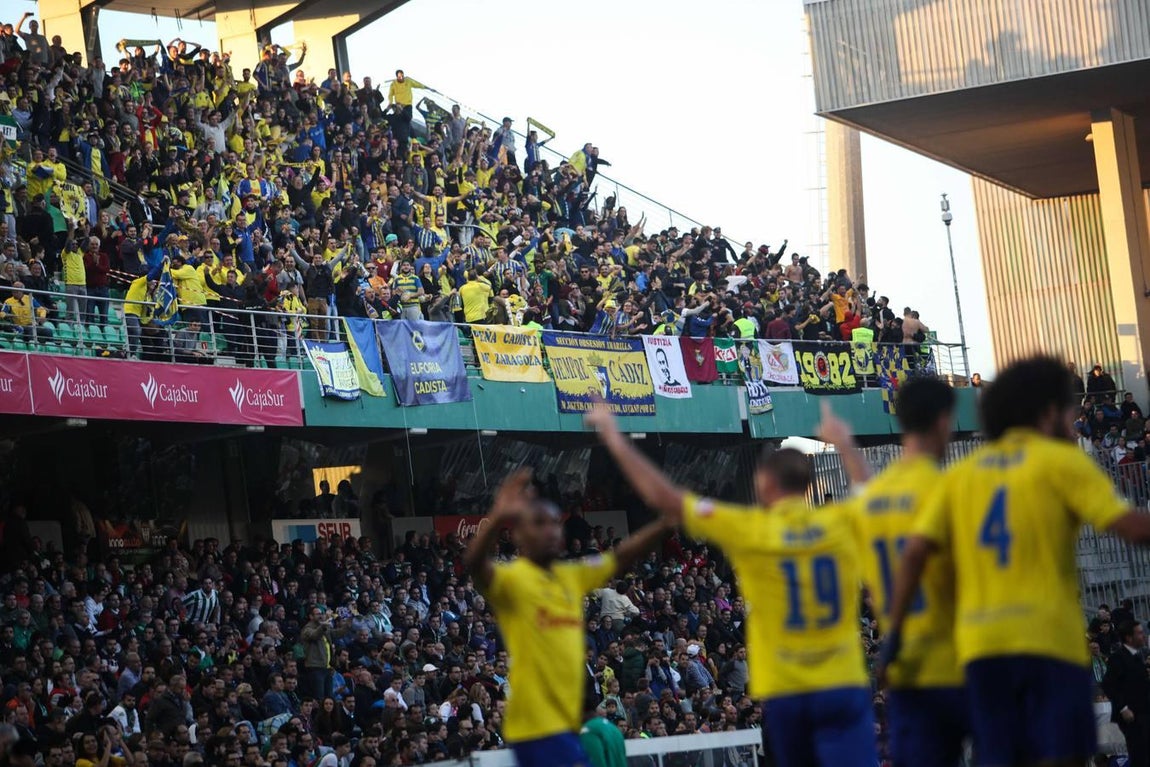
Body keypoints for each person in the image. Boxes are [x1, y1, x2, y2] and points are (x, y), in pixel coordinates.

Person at [884, 355, 1150, 767]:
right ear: (1048, 412)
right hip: (1049, 643)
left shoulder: (962, 474)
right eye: (1070, 410)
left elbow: (915, 552)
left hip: (983, 651)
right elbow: (1131, 528)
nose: (1075, 421)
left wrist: (895, 632)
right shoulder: (1060, 462)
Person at [585, 402, 875, 767]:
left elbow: (665, 497)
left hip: (789, 689)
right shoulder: (842, 523)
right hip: (844, 682)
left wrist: (613, 435)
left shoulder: (750, 528)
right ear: (811, 484)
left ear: (764, 484)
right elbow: (871, 494)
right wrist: (845, 445)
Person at [463, 468, 671, 767]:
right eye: (538, 523)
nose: (549, 530)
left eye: (554, 524)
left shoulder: (572, 576)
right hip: (536, 725)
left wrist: (665, 522)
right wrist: (497, 514)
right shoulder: (513, 579)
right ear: (519, 534)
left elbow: (622, 555)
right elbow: (473, 563)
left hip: (567, 723)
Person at [817, 379, 967, 767]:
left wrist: (843, 444)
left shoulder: (874, 500)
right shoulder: (949, 490)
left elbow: (867, 490)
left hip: (904, 669)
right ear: (944, 420)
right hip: (958, 660)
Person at [1102, 621, 1150, 767]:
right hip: (1131, 716)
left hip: (1143, 713)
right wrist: (1123, 708)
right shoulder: (1118, 657)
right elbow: (1108, 684)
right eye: (1140, 633)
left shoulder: (1137, 657)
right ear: (1129, 638)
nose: (1143, 636)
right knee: (1139, 756)